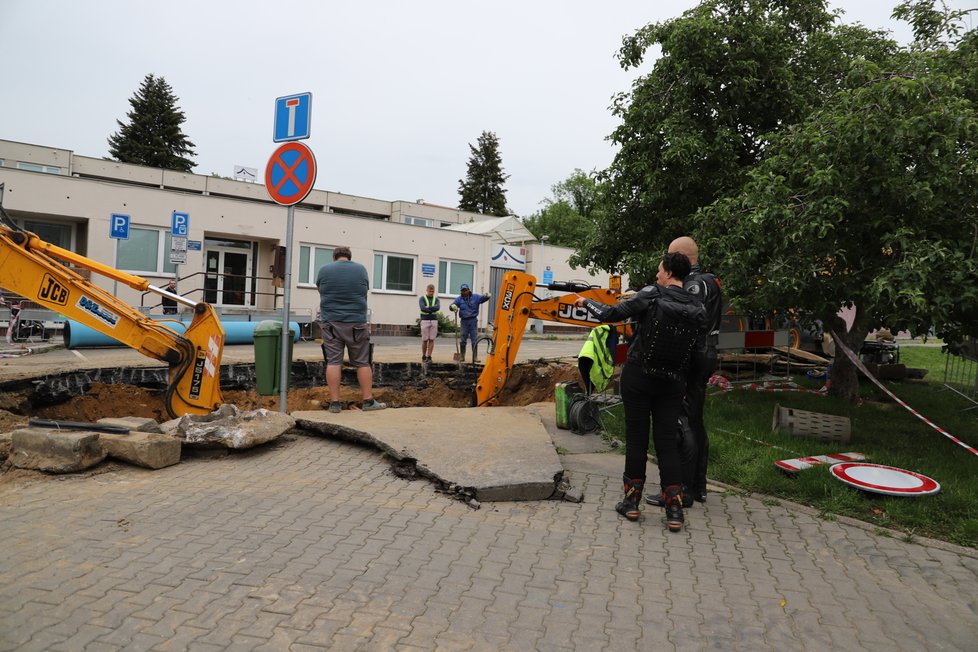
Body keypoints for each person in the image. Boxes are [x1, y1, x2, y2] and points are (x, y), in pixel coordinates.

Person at [575, 252, 707, 531]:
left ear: (669, 272)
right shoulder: (698, 306)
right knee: (667, 443)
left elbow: (610, 315)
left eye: (660, 270)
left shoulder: (652, 294)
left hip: (639, 377)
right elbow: (698, 351)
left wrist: (585, 301)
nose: (657, 274)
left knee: (636, 440)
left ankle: (632, 504)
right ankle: (674, 509)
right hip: (673, 382)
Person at [645, 236, 724, 508]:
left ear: (678, 258)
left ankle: (682, 489)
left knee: (682, 422)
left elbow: (682, 318)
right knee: (696, 419)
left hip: (691, 356)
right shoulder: (711, 280)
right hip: (708, 352)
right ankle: (698, 485)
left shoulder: (691, 284)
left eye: (668, 257)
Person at [316, 246, 386, 413]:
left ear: (334, 257)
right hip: (356, 323)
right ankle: (368, 401)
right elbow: (364, 291)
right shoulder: (360, 269)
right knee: (362, 362)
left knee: (333, 362)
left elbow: (320, 290)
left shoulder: (324, 270)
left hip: (331, 323)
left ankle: (335, 404)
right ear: (349, 257)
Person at [448, 283, 491, 362]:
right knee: (463, 339)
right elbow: (452, 305)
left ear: (468, 290)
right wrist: (452, 307)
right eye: (462, 291)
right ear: (461, 291)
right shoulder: (459, 299)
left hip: (473, 320)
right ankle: (462, 357)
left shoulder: (475, 297)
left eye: (465, 290)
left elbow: (483, 298)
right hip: (464, 321)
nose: (464, 292)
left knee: (474, 339)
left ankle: (475, 358)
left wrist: (487, 296)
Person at [577, 324, 618, 395]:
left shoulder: (596, 335)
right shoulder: (600, 335)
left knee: (589, 380)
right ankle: (589, 392)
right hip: (589, 359)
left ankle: (589, 393)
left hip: (586, 358)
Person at [418, 283, 440, 362]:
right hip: (425, 320)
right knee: (424, 340)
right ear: (427, 290)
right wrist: (432, 308)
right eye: (430, 291)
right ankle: (423, 355)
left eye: (433, 291)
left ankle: (429, 356)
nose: (431, 293)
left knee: (432, 339)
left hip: (434, 320)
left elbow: (438, 307)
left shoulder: (436, 299)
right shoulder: (422, 298)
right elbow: (422, 308)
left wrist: (428, 308)